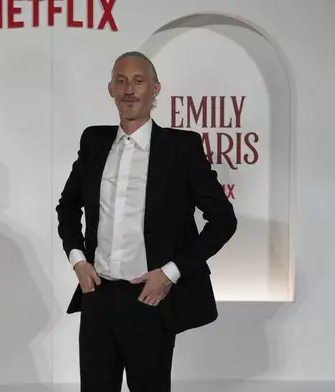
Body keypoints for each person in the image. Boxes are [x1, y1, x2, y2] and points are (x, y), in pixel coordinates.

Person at [55, 50, 238, 392]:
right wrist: (77, 260)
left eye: (139, 81)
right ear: (110, 89)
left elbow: (223, 221)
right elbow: (67, 207)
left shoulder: (181, 148)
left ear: (155, 89)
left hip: (150, 300)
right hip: (97, 298)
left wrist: (170, 273)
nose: (129, 90)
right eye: (121, 81)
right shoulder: (93, 141)